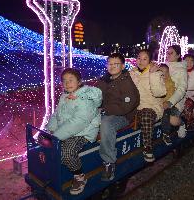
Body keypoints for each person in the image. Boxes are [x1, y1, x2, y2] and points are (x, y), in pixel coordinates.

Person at [46, 68, 102, 195]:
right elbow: (56, 115)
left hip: (83, 131)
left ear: (79, 82)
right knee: (46, 144)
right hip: (67, 130)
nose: (67, 83)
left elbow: (79, 122)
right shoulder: (64, 96)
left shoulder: (84, 99)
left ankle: (80, 176)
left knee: (66, 152)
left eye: (71, 80)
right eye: (64, 81)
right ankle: (57, 172)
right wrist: (51, 129)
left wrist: (55, 136)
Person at [96, 53, 140, 181]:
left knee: (106, 124)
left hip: (123, 115)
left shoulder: (126, 82)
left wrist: (104, 110)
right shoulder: (104, 79)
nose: (112, 66)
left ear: (123, 66)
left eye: (116, 64)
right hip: (105, 112)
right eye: (110, 63)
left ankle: (109, 162)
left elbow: (128, 105)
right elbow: (95, 94)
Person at [130, 49, 166, 162]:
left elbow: (160, 93)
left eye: (145, 59)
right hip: (135, 107)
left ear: (150, 60)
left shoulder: (156, 72)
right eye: (139, 58)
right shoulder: (132, 73)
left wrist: (153, 75)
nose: (141, 61)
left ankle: (148, 147)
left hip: (152, 107)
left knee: (146, 114)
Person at [161, 45, 188, 145]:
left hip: (175, 101)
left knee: (172, 120)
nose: (168, 55)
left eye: (171, 53)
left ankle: (182, 123)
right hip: (161, 97)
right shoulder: (163, 66)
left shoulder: (182, 70)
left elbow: (182, 89)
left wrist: (171, 101)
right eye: (167, 52)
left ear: (178, 55)